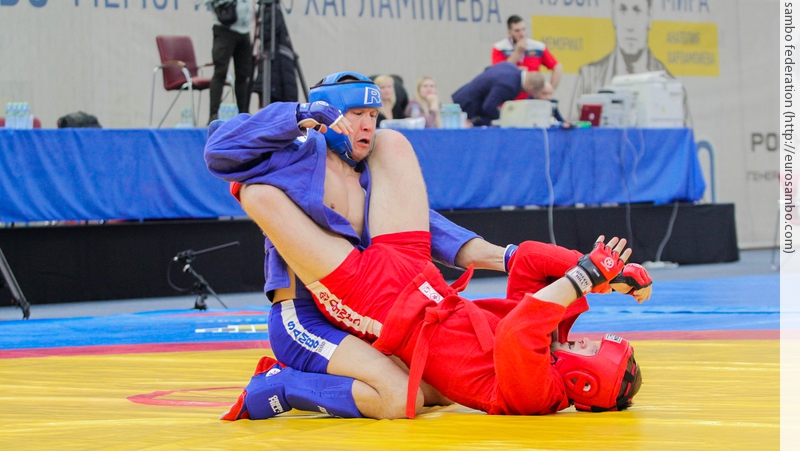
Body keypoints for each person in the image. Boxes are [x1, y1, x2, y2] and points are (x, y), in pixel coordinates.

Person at [206, 72, 652, 419]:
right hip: (334, 306)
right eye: (358, 114)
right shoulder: (297, 153)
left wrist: (587, 275)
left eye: (373, 115)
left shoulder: (539, 385)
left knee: (409, 396)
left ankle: (281, 387)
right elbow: (218, 148)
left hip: (377, 305)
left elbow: (509, 310)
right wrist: (603, 273)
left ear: (584, 379)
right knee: (390, 145)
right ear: (332, 114)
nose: (368, 125)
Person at [572, 0, 671, 102]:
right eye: (622, 9)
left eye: (637, 10)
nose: (629, 25)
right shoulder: (589, 80)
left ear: (649, 15)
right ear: (613, 15)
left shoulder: (670, 86)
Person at [193, 0, 254, 123]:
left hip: (243, 29)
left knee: (244, 74)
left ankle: (244, 114)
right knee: (220, 71)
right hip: (224, 29)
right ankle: (213, 115)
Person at [452, 62, 542, 126]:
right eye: (533, 93)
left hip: (464, 94)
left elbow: (488, 69)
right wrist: (503, 119)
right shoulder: (510, 86)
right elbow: (488, 106)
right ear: (530, 87)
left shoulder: (510, 66)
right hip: (469, 105)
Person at [491, 14, 563, 94]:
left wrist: (550, 89)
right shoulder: (500, 48)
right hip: (509, 95)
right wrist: (517, 53)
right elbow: (499, 72)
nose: (522, 34)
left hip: (532, 96)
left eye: (524, 29)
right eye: (517, 31)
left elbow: (557, 67)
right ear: (509, 32)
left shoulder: (538, 47)